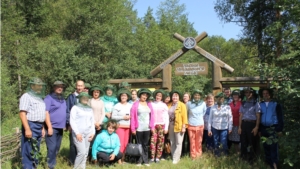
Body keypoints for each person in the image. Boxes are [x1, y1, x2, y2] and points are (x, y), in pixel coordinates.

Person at [19, 77, 46, 169]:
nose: (40, 87)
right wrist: (27, 129)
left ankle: (34, 167)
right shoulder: (26, 96)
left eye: (41, 86)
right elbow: (22, 114)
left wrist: (42, 127)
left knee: (35, 150)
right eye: (38, 85)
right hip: (31, 125)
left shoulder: (40, 98)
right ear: (32, 86)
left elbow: (40, 114)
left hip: (39, 126)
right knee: (28, 150)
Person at [44, 81, 67, 169]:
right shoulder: (48, 98)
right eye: (58, 86)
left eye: (61, 87)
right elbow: (46, 113)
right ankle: (50, 166)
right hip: (52, 127)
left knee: (57, 147)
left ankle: (52, 162)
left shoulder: (62, 99)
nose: (60, 88)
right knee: (52, 147)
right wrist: (49, 127)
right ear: (54, 87)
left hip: (60, 128)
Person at [259, 88, 284, 169]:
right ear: (262, 95)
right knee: (265, 146)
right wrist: (259, 129)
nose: (265, 95)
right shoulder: (260, 104)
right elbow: (259, 117)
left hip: (273, 128)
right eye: (264, 93)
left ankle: (275, 165)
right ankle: (268, 164)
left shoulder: (276, 104)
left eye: (267, 93)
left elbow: (280, 117)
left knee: (273, 147)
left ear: (270, 94)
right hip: (263, 128)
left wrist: (279, 129)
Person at [130, 88, 155, 167]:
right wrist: (133, 129)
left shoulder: (149, 104)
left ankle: (146, 160)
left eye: (146, 95)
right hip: (139, 128)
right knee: (139, 145)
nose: (145, 96)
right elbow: (133, 117)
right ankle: (139, 161)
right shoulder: (135, 105)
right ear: (140, 95)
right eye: (143, 95)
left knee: (145, 144)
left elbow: (152, 116)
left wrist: (152, 127)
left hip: (147, 128)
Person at [70, 92, 95, 169]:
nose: (85, 99)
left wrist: (93, 132)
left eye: (86, 98)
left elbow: (92, 121)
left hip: (88, 133)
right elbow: (72, 121)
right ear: (80, 98)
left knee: (85, 153)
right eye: (83, 97)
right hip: (79, 133)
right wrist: (77, 133)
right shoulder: (75, 108)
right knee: (81, 152)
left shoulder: (89, 109)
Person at [238, 87, 261, 163]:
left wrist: (256, 127)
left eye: (249, 93)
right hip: (244, 123)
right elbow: (241, 115)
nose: (247, 94)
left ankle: (252, 159)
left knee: (252, 142)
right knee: (243, 141)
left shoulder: (256, 103)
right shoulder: (243, 103)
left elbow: (258, 116)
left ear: (252, 94)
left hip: (252, 124)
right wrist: (239, 127)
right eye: (246, 93)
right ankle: (243, 157)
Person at [66, 80, 85, 165]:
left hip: (83, 124)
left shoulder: (86, 97)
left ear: (83, 87)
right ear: (76, 86)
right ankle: (72, 162)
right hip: (73, 124)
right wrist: (68, 124)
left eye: (81, 86)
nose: (79, 87)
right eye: (78, 86)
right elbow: (67, 111)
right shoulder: (71, 97)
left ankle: (81, 162)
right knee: (73, 143)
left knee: (83, 143)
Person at [208, 92, 233, 156]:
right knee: (216, 142)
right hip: (215, 127)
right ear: (217, 99)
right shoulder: (213, 107)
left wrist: (230, 128)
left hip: (224, 128)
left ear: (224, 99)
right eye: (219, 98)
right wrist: (209, 129)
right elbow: (210, 119)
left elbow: (230, 118)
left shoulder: (227, 107)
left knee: (224, 142)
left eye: (222, 98)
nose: (220, 99)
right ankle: (217, 155)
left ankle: (224, 155)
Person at [111, 89, 132, 163]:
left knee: (126, 143)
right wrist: (123, 117)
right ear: (120, 97)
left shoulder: (130, 105)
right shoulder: (117, 106)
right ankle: (118, 160)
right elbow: (113, 117)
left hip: (128, 127)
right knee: (120, 143)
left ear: (127, 97)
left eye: (125, 95)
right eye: (122, 95)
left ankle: (123, 159)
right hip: (120, 127)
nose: (123, 97)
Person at [167, 90, 188, 164]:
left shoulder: (182, 105)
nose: (175, 97)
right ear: (171, 97)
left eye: (176, 96)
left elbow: (184, 117)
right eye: (173, 96)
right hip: (170, 126)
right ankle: (173, 156)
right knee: (172, 142)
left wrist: (184, 127)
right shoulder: (169, 105)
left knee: (179, 142)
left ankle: (176, 158)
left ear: (179, 97)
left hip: (179, 126)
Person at [150, 89, 169, 163]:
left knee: (160, 142)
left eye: (160, 96)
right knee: (153, 141)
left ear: (162, 97)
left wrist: (166, 127)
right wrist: (151, 126)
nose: (158, 97)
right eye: (157, 95)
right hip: (154, 125)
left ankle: (158, 157)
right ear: (155, 96)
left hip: (161, 125)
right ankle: (152, 157)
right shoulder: (151, 104)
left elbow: (166, 117)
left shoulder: (164, 105)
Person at [186, 89, 206, 159]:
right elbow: (187, 113)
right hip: (191, 124)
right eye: (195, 95)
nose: (197, 96)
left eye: (198, 95)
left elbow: (204, 113)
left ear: (200, 96)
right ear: (193, 95)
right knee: (192, 142)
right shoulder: (189, 103)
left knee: (199, 141)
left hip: (200, 124)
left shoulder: (203, 103)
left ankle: (199, 155)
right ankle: (193, 156)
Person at [228, 89, 242, 154]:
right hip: (230, 124)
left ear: (239, 96)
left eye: (236, 95)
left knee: (237, 140)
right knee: (230, 139)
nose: (235, 96)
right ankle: (229, 153)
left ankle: (238, 153)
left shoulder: (241, 104)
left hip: (238, 124)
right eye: (234, 95)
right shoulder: (230, 104)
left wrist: (240, 126)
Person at [181, 92, 190, 157]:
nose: (185, 97)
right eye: (184, 96)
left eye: (186, 96)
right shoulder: (180, 104)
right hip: (182, 125)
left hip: (189, 124)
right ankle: (182, 152)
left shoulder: (191, 105)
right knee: (182, 139)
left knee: (189, 139)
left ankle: (189, 152)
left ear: (189, 98)